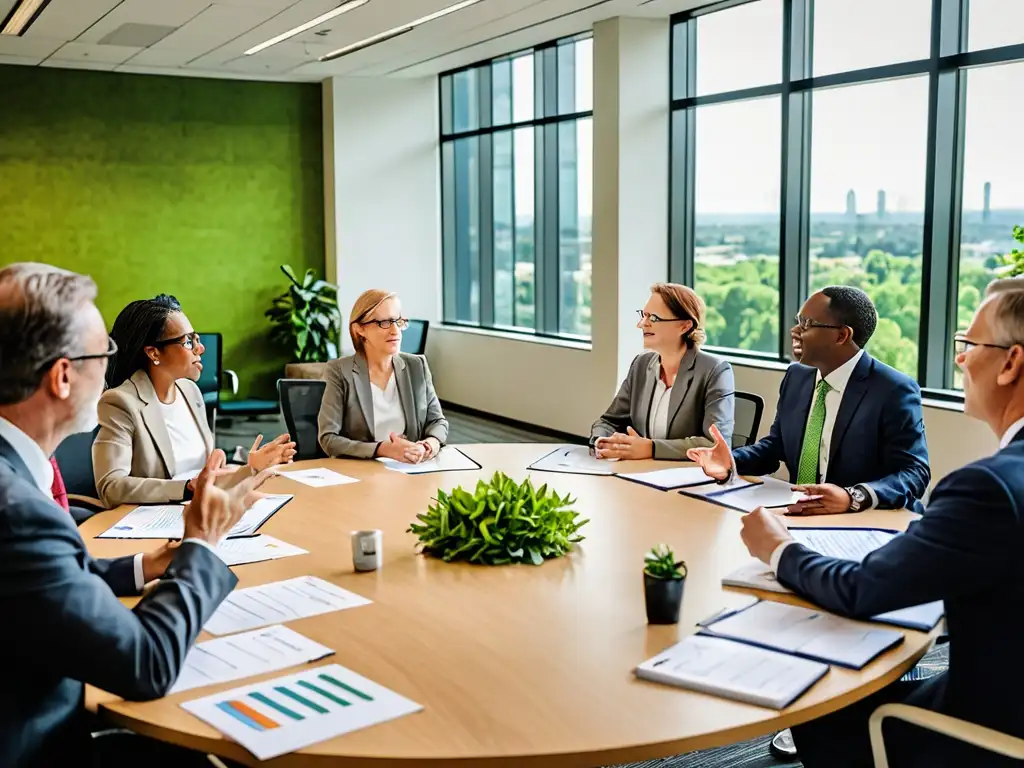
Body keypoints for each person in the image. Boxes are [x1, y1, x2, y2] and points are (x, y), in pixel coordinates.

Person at [737, 277, 1024, 768]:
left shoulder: (987, 488)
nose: (960, 359)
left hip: (981, 732)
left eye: (969, 345)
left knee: (816, 699)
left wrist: (777, 549)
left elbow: (862, 590)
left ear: (1012, 363)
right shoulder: (797, 378)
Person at [0, 263, 270, 768]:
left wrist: (146, 565)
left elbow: (46, 577)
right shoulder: (16, 512)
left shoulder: (16, 476)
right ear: (62, 376)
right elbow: (147, 664)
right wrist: (200, 546)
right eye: (104, 352)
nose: (112, 364)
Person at [688, 286, 930, 515]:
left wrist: (853, 497)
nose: (795, 331)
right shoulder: (797, 376)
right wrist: (731, 461)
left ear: (842, 335)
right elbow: (776, 446)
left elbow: (914, 472)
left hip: (863, 520)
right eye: (798, 321)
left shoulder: (893, 389)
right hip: (800, 513)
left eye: (807, 324)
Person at [94, 294, 295, 508]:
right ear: (154, 352)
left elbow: (208, 478)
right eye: (188, 341)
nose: (200, 349)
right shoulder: (120, 402)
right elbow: (111, 487)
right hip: (154, 522)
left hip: (202, 512)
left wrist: (253, 467)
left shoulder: (190, 391)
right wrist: (186, 488)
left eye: (196, 339)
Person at [590, 283, 735, 459]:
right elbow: (609, 421)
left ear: (684, 326)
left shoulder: (715, 371)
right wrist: (602, 442)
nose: (641, 324)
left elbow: (715, 444)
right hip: (640, 472)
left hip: (687, 477)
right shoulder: (642, 364)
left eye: (654, 318)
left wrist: (651, 448)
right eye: (643, 315)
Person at [319, 289, 448, 461]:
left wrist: (429, 445)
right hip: (362, 472)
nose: (395, 331)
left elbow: (437, 422)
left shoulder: (417, 365)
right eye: (385, 322)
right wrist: (382, 449)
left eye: (398, 321)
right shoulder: (339, 371)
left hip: (412, 468)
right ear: (359, 329)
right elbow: (329, 439)